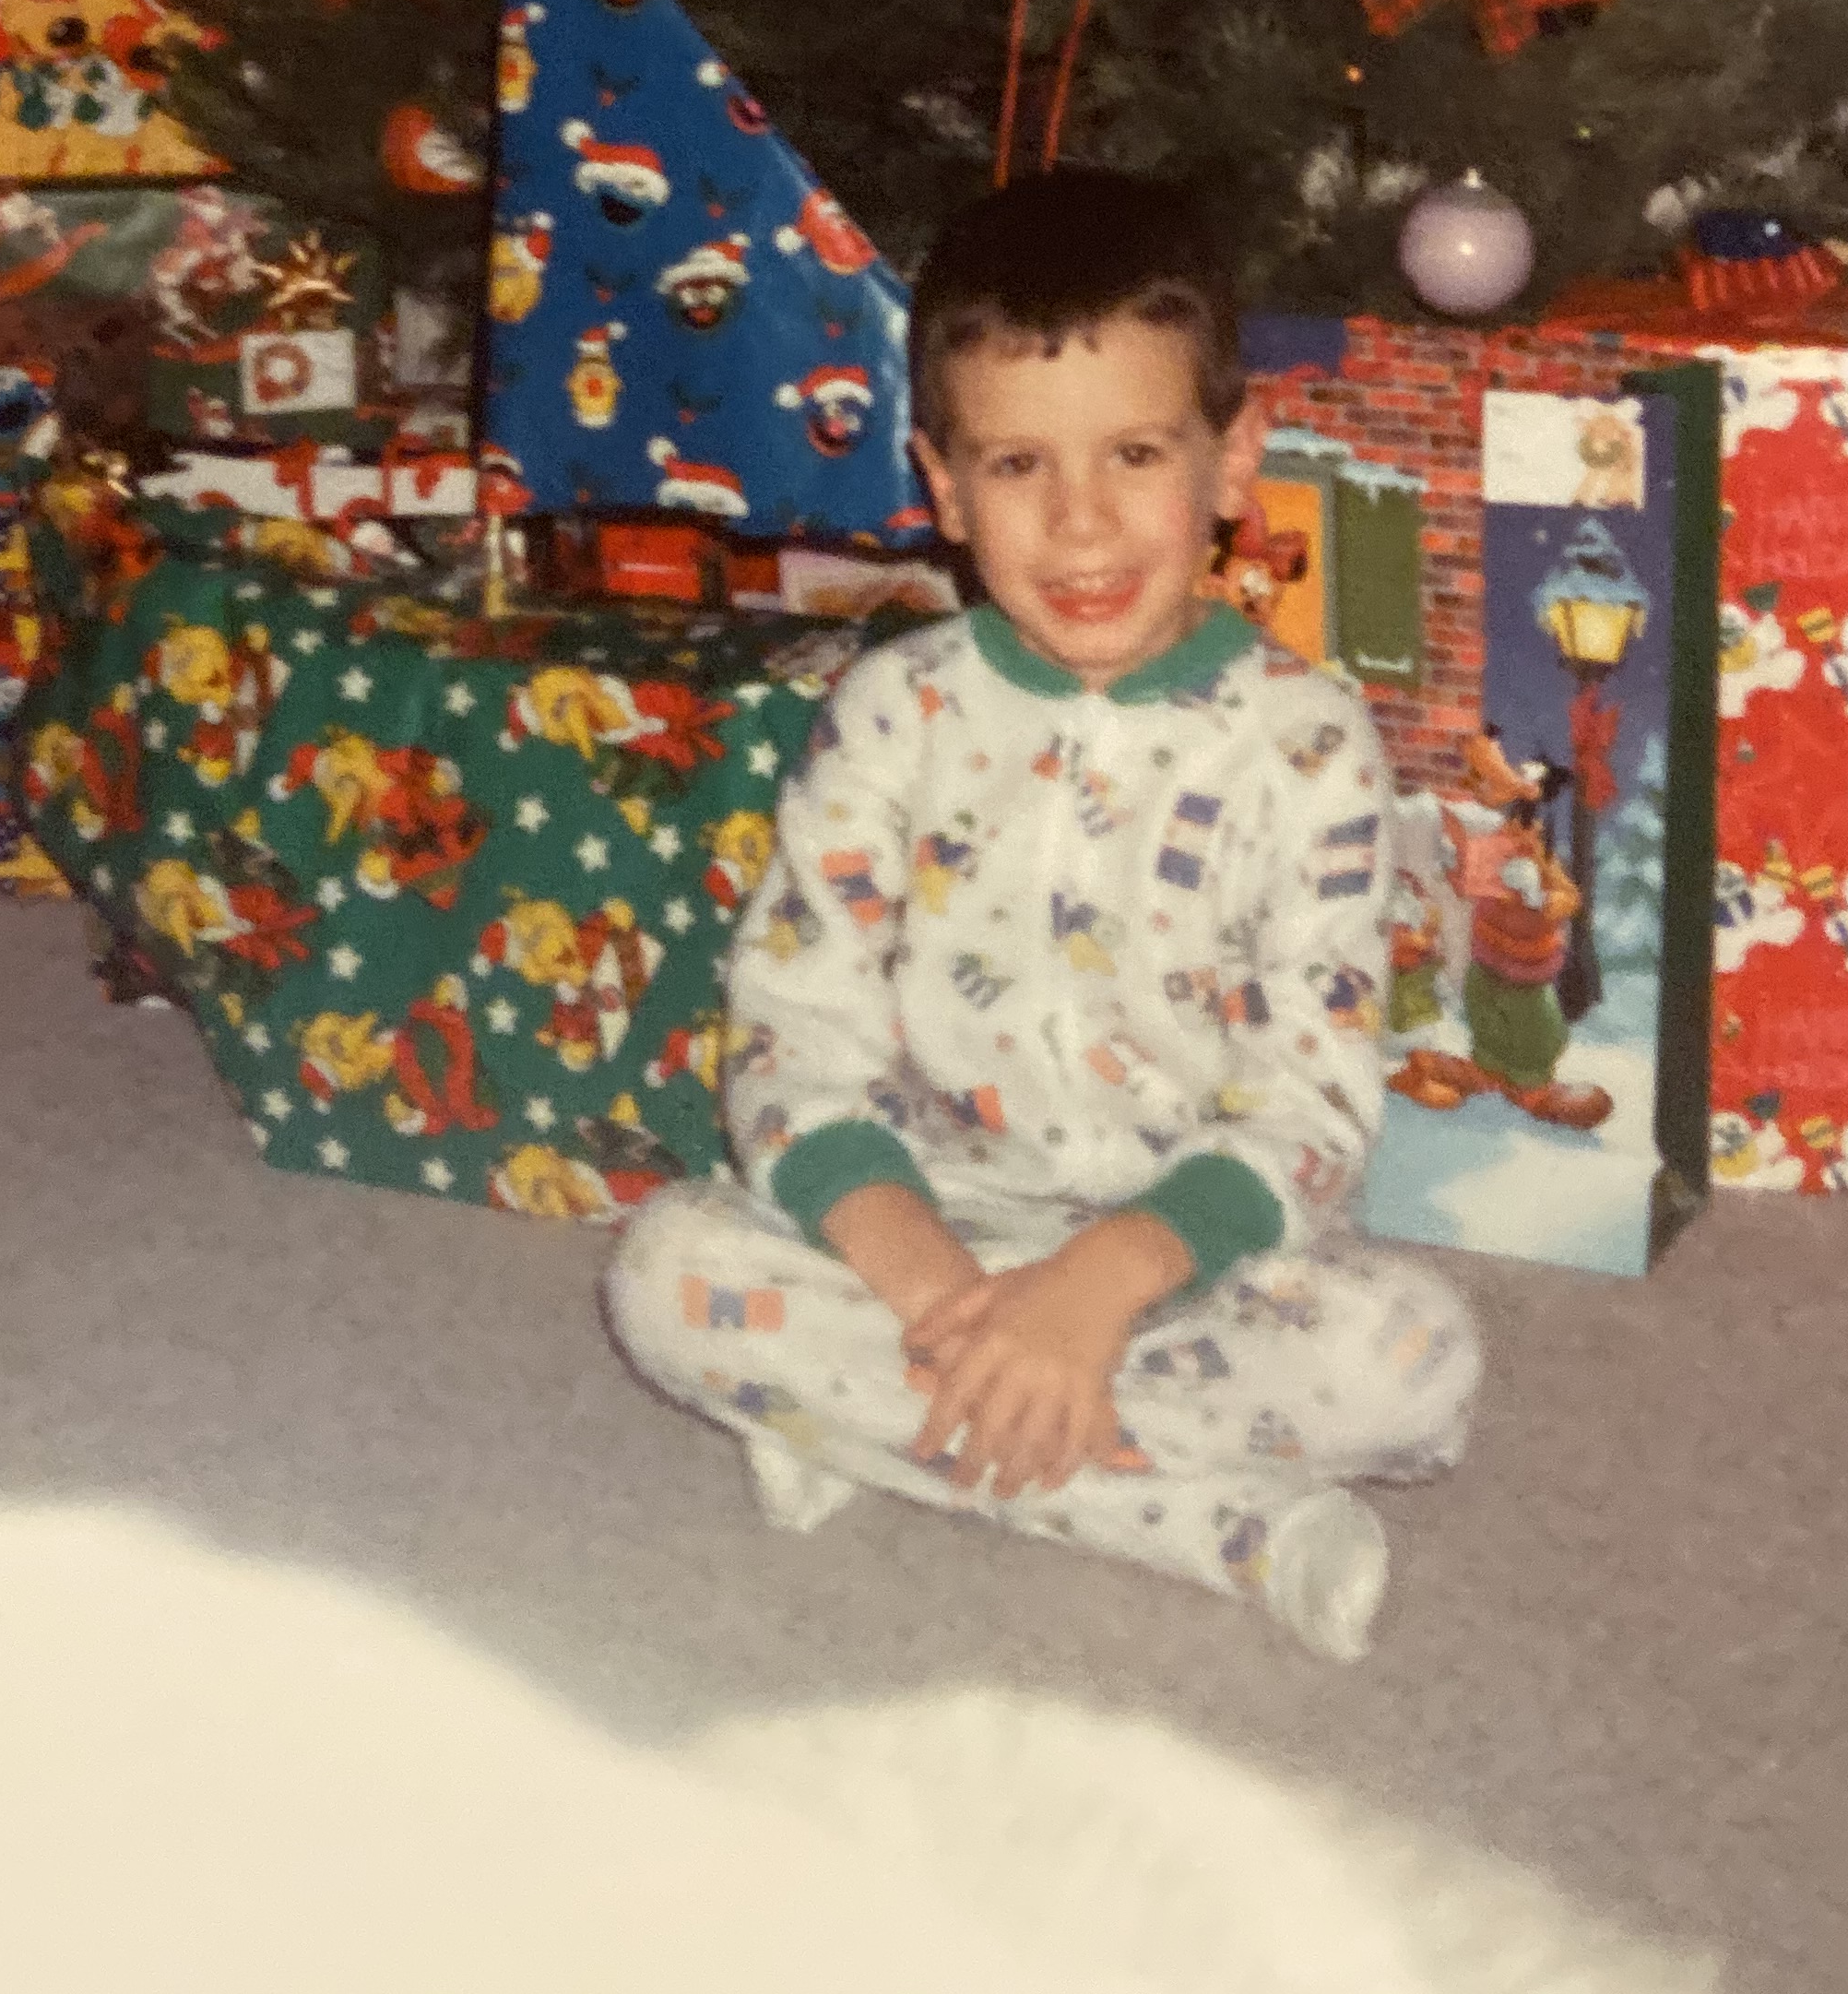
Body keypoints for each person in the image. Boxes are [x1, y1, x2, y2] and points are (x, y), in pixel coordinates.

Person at [604, 169, 1481, 1662]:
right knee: (664, 1277)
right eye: (1017, 469)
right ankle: (1213, 1524)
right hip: (922, 1235)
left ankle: (881, 1422)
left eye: (1135, 453)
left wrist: (1092, 1292)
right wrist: (938, 1283)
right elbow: (794, 1042)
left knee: (1414, 1363)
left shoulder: (1310, 745)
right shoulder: (891, 715)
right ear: (942, 487)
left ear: (1232, 457)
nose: (1081, 524)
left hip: (1188, 1267)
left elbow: (1313, 1102)